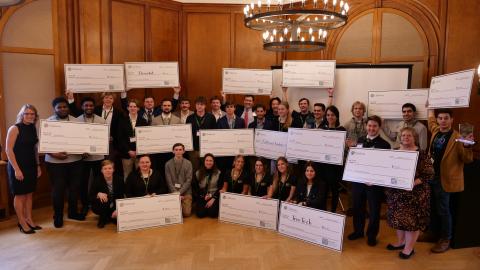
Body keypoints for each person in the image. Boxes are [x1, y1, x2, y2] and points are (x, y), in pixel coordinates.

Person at [423, 108, 474, 253]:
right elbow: (431, 122)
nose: (443, 121)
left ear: (452, 120)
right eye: (440, 118)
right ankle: (432, 233)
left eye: (446, 118)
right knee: (431, 207)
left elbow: (467, 159)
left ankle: (445, 239)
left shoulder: (459, 137)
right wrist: (430, 108)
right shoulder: (436, 131)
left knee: (444, 210)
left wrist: (467, 145)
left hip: (445, 180)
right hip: (431, 177)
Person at [385, 127, 434, 259]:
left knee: (411, 222)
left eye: (409, 136)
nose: (406, 137)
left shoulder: (422, 154)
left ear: (414, 138)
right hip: (396, 194)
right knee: (398, 219)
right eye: (404, 135)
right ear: (400, 137)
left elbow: (429, 174)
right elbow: (386, 170)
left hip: (415, 195)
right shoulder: (394, 152)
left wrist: (412, 183)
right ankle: (400, 242)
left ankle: (409, 248)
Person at [348, 115, 391, 246]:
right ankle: (358, 231)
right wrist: (352, 150)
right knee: (357, 207)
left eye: (374, 126)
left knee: (374, 210)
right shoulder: (360, 141)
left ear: (379, 127)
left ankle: (372, 235)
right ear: (366, 126)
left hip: (374, 184)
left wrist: (375, 179)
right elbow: (355, 160)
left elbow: (385, 166)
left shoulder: (385, 145)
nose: (371, 128)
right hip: (358, 182)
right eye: (369, 125)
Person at [45, 97, 85, 228]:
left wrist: (85, 149)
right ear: (54, 109)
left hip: (75, 161)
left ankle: (73, 213)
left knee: (74, 189)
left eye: (65, 107)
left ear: (68, 108)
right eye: (59, 107)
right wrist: (54, 154)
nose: (62, 109)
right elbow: (42, 144)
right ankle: (58, 216)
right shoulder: (48, 123)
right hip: (55, 163)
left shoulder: (77, 122)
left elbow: (82, 140)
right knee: (58, 190)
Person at [5, 104, 42, 234]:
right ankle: (21, 222)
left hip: (31, 165)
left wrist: (38, 166)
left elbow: (34, 149)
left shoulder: (32, 128)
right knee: (20, 195)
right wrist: (16, 169)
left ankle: (29, 219)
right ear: (22, 115)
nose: (30, 116)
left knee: (29, 194)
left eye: (32, 114)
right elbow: (8, 150)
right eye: (27, 113)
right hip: (17, 166)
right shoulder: (14, 128)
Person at [77, 97, 106, 216]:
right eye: (86, 105)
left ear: (94, 107)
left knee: (99, 182)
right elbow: (74, 139)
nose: (89, 107)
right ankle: (85, 204)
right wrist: (80, 151)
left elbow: (104, 138)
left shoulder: (101, 120)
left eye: (91, 105)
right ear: (82, 107)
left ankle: (98, 203)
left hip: (98, 157)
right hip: (83, 158)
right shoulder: (76, 121)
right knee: (83, 182)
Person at [317, 105, 346, 213]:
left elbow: (342, 148)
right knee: (323, 190)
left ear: (337, 116)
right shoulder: (321, 129)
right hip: (322, 166)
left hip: (335, 167)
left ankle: (333, 212)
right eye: (328, 115)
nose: (330, 117)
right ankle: (323, 212)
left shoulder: (342, 130)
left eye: (332, 115)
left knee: (334, 191)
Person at [117, 99, 148, 180]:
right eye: (130, 106)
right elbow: (120, 139)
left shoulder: (143, 121)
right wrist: (128, 150)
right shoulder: (122, 121)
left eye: (135, 107)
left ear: (138, 109)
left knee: (141, 174)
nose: (133, 108)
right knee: (127, 174)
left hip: (140, 153)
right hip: (126, 154)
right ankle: (127, 192)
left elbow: (146, 138)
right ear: (127, 108)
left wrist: (139, 150)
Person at [90, 160, 125, 228]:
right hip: (102, 205)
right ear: (101, 170)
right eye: (105, 169)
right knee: (103, 198)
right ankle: (103, 217)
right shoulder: (97, 180)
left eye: (110, 168)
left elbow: (121, 196)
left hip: (114, 204)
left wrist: (118, 209)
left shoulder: (119, 180)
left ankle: (111, 215)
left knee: (118, 221)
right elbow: (90, 196)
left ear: (113, 170)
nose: (107, 170)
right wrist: (98, 194)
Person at [151, 98, 182, 175]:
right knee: (160, 171)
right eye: (164, 105)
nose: (167, 107)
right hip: (159, 152)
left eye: (168, 105)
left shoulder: (177, 120)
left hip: (172, 152)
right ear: (161, 107)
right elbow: (152, 136)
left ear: (171, 107)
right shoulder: (155, 120)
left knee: (172, 172)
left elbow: (180, 135)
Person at [186, 96, 217, 171]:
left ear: (205, 106)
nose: (199, 106)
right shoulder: (190, 118)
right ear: (195, 105)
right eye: (197, 104)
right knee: (194, 169)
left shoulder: (211, 117)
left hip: (207, 149)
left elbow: (214, 133)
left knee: (206, 169)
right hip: (193, 150)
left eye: (201, 104)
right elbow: (187, 134)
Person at [165, 143, 193, 217]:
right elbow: (169, 181)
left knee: (186, 214)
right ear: (173, 151)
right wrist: (175, 193)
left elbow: (189, 180)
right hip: (173, 191)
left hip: (186, 192)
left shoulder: (188, 163)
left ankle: (187, 204)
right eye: (176, 150)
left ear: (183, 151)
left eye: (180, 150)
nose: (178, 151)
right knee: (172, 213)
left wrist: (179, 192)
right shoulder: (168, 164)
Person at [193, 154, 223, 218]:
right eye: (207, 160)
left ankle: (210, 208)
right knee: (200, 214)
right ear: (204, 161)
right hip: (202, 195)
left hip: (214, 195)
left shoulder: (218, 173)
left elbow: (220, 187)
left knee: (213, 214)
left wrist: (213, 198)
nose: (208, 162)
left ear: (213, 162)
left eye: (210, 161)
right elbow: (196, 188)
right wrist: (203, 196)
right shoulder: (198, 173)